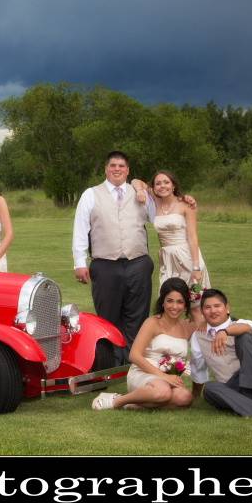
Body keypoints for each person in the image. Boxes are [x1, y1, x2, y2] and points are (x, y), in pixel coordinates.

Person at [72, 151, 154, 364]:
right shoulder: (91, 194)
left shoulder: (139, 193)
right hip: (105, 264)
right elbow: (80, 229)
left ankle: (133, 360)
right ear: (106, 169)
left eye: (121, 166)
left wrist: (144, 188)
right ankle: (111, 361)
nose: (117, 169)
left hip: (138, 262)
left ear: (128, 170)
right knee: (108, 316)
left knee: (137, 314)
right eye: (113, 165)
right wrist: (80, 263)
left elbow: (158, 215)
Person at [92, 278, 197, 411]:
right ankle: (117, 401)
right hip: (143, 373)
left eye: (180, 302)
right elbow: (134, 355)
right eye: (169, 301)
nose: (174, 307)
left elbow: (206, 317)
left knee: (185, 398)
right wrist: (163, 376)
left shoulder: (187, 326)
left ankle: (133, 405)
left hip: (168, 377)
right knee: (162, 392)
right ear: (163, 302)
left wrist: (197, 289)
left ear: (186, 305)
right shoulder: (152, 322)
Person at [190, 288, 252, 420]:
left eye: (217, 306)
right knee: (209, 389)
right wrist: (194, 396)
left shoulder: (242, 324)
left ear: (227, 308)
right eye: (208, 307)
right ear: (203, 312)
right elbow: (199, 367)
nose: (213, 310)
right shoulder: (198, 336)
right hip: (234, 389)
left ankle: (246, 399)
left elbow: (248, 328)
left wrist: (225, 332)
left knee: (244, 338)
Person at [132, 171, 210, 308]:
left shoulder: (185, 204)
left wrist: (196, 267)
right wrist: (140, 190)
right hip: (167, 260)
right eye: (158, 183)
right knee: (168, 303)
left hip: (187, 258)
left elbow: (192, 237)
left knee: (195, 302)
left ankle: (201, 329)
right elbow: (135, 181)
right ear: (154, 188)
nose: (162, 186)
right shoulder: (155, 202)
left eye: (166, 182)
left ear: (173, 185)